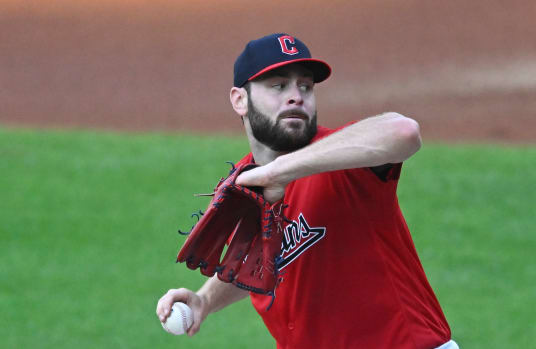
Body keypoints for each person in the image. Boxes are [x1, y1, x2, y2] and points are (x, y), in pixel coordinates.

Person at [156, 33, 459, 349]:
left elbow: (404, 132)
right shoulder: (245, 188)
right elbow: (256, 262)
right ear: (239, 100)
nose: (295, 96)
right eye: (278, 85)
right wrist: (204, 301)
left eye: (305, 86)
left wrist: (280, 171)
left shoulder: (343, 157)